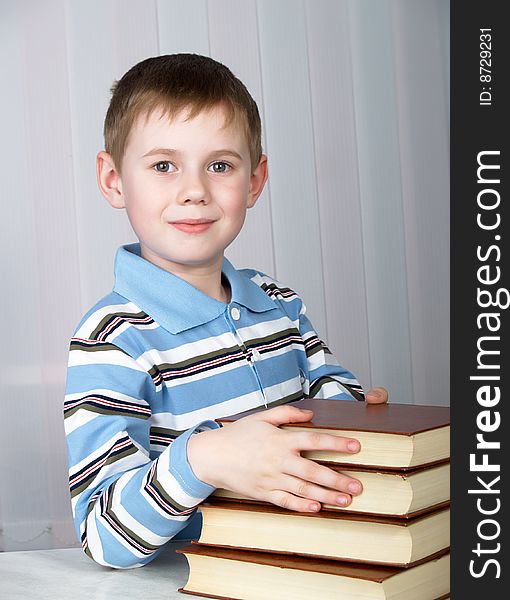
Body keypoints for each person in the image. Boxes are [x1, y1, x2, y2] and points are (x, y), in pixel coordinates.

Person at [64, 53, 388, 569]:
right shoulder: (112, 339)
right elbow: (105, 538)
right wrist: (204, 458)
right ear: (113, 180)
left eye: (220, 165)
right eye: (163, 166)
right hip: (196, 580)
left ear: (255, 181)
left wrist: (358, 415)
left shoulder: (277, 302)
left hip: (309, 563)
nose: (194, 191)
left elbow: (329, 392)